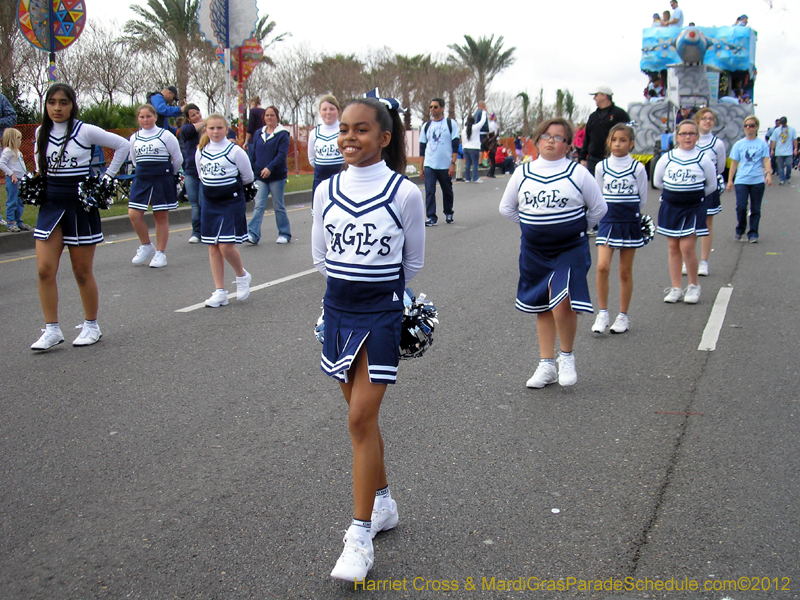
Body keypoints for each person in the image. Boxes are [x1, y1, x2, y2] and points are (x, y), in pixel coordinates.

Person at [311, 96, 425, 581]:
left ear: (384, 138)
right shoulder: (325, 190)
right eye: (345, 130)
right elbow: (320, 255)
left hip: (380, 312)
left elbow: (413, 262)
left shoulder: (405, 193)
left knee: (360, 416)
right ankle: (383, 503)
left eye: (361, 130)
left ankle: (359, 538)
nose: (349, 138)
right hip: (336, 312)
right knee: (361, 419)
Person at [499, 118, 607, 388]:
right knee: (542, 305)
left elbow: (598, 209)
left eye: (558, 137)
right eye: (546, 135)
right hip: (535, 251)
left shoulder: (578, 173)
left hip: (569, 249)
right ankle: (546, 364)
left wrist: (576, 228)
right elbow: (507, 208)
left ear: (568, 145)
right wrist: (535, 227)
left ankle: (566, 356)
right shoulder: (522, 173)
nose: (551, 140)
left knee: (562, 300)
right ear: (536, 140)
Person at [30, 83, 129, 351]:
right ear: (46, 105)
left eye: (63, 102)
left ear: (72, 104)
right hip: (51, 205)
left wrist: (106, 178)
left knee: (82, 272)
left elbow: (122, 145)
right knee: (44, 270)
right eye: (52, 102)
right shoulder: (41, 131)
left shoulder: (84, 130)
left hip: (80, 206)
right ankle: (51, 329)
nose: (57, 108)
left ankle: (91, 326)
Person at [591, 124, 648, 335]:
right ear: (608, 142)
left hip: (628, 221)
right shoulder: (601, 167)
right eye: (614, 139)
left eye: (623, 140)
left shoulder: (637, 168)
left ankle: (623, 316)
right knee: (602, 267)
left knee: (624, 271)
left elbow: (642, 198)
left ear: (631, 143)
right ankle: (603, 312)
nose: (618, 144)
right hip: (608, 220)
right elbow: (598, 195)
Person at [653, 119, 716, 304]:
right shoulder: (667, 157)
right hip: (671, 208)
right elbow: (657, 182)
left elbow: (711, 185)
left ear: (697, 136)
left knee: (687, 247)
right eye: (683, 133)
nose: (687, 137)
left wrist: (692, 195)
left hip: (693, 209)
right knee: (673, 247)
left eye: (691, 133)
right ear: (676, 137)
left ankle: (694, 285)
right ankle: (676, 288)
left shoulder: (703, 158)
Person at [196, 114, 254, 307]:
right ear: (206, 130)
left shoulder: (235, 151)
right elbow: (201, 175)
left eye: (219, 128)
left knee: (226, 246)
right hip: (210, 203)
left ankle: (242, 276)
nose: (215, 132)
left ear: (226, 129)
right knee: (213, 246)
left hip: (230, 201)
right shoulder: (201, 151)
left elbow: (247, 177)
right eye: (211, 128)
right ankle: (220, 291)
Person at [128, 104, 183, 268]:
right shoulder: (134, 138)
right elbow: (134, 160)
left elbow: (177, 158)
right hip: (142, 179)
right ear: (138, 118)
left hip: (162, 179)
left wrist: (168, 175)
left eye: (148, 116)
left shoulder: (165, 135)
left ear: (155, 117)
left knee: (160, 216)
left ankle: (160, 253)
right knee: (134, 214)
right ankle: (146, 245)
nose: (145, 120)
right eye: (142, 117)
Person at [247, 105, 291, 245]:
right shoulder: (259, 133)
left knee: (278, 205)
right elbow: (253, 152)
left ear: (277, 117)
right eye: (267, 115)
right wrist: (254, 170)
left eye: (272, 115)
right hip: (260, 176)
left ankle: (284, 233)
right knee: (259, 204)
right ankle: (253, 234)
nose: (269, 118)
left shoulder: (283, 134)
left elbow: (281, 155)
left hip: (276, 176)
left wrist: (270, 168)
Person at [727, 115, 771, 243]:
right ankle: (740, 229)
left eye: (751, 125)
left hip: (757, 180)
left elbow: (766, 159)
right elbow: (734, 163)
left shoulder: (762, 144)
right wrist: (730, 180)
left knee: (755, 208)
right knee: (741, 207)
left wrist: (768, 173)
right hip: (741, 180)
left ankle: (753, 233)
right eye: (746, 126)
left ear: (756, 127)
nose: (748, 128)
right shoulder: (739, 144)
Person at [693, 108, 726, 277]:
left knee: (706, 224)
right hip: (691, 187)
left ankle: (704, 261)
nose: (707, 121)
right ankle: (689, 258)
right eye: (704, 118)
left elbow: (720, 167)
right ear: (697, 121)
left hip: (708, 188)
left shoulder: (717, 144)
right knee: (690, 224)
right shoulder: (691, 140)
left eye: (711, 119)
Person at [419, 98, 459, 226]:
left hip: (445, 165)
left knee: (447, 190)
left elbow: (455, 145)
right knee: (429, 191)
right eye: (431, 107)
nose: (432, 109)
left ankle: (448, 212)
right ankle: (431, 217)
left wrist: (453, 164)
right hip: (430, 164)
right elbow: (422, 148)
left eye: (435, 107)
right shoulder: (426, 126)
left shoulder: (450, 124)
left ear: (442, 108)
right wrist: (421, 167)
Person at [579, 86, 631, 179]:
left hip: (612, 159)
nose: (594, 98)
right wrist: (582, 158)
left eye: (596, 95)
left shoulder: (620, 114)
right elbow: (587, 138)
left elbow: (628, 135)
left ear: (604, 96)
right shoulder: (593, 116)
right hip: (593, 160)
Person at [308, 95, 345, 196]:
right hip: (320, 180)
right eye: (324, 109)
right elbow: (312, 159)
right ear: (320, 112)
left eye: (332, 109)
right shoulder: (314, 133)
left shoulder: (345, 130)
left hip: (342, 181)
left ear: (338, 111)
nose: (328, 112)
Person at [179, 103, 206, 243]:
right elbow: (192, 130)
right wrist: (207, 121)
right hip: (191, 170)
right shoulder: (186, 129)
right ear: (188, 119)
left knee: (203, 202)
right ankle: (196, 232)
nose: (197, 116)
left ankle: (207, 230)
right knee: (195, 203)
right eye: (193, 115)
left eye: (198, 112)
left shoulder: (209, 128)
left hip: (206, 170)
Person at [1, 128, 32, 232]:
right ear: (12, 139)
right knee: (12, 201)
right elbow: (1, 163)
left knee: (20, 201)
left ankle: (19, 222)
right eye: (18, 138)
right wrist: (11, 174)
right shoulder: (8, 151)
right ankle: (10, 222)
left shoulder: (17, 151)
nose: (20, 140)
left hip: (20, 179)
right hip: (13, 180)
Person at [769, 116, 797, 185]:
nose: (783, 125)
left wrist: (795, 149)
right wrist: (772, 150)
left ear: (786, 122)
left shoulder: (792, 129)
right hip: (779, 152)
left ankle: (788, 177)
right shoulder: (777, 130)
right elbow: (773, 141)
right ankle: (782, 180)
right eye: (782, 123)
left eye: (784, 123)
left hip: (789, 152)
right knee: (780, 167)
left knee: (788, 164)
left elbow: (795, 140)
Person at [462, 112, 486, 183]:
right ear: (474, 122)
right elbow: (483, 121)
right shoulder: (475, 128)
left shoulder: (464, 130)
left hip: (465, 148)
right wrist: (484, 112)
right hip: (474, 148)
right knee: (475, 164)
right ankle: (475, 178)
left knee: (467, 164)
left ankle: (467, 178)